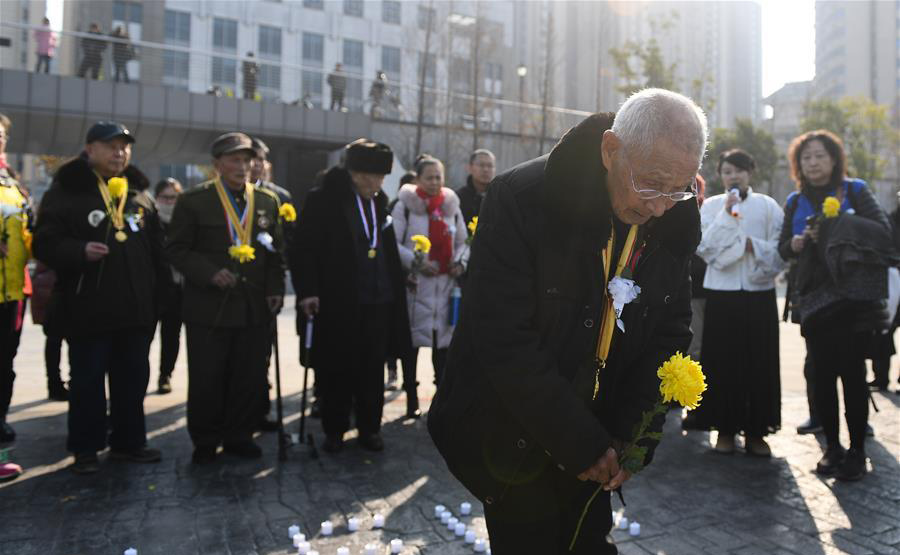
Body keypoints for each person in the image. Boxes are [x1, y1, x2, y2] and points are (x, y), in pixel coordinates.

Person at [428, 89, 707, 554]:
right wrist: (580, 443)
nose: (661, 206)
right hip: (514, 432)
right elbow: (503, 338)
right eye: (652, 183)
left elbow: (669, 334)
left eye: (678, 188)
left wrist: (632, 437)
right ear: (610, 149)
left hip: (601, 437)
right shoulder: (522, 199)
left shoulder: (673, 219)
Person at [33, 121, 163, 474]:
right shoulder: (66, 191)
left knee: (132, 381)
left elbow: (157, 252)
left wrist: (159, 299)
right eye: (110, 145)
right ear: (90, 149)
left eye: (124, 146)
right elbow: (43, 241)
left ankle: (129, 443)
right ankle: (86, 449)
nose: (119, 152)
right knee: (88, 382)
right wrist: (77, 250)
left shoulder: (138, 194)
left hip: (135, 311)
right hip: (87, 308)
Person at [778, 129, 895, 481]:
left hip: (853, 299)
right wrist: (797, 243)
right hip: (812, 300)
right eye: (806, 157)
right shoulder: (795, 202)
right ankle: (831, 446)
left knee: (854, 375)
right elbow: (782, 247)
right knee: (822, 374)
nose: (812, 163)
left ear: (834, 159)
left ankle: (857, 449)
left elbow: (883, 229)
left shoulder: (855, 190)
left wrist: (837, 225)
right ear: (798, 164)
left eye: (819, 155)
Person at [166, 133, 285, 464]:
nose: (242, 166)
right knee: (208, 377)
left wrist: (275, 288)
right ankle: (205, 440)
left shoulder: (265, 201)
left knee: (246, 377)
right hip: (209, 309)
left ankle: (239, 436)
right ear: (217, 164)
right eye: (235, 160)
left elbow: (276, 253)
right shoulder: (194, 201)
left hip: (252, 307)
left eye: (247, 160)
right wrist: (208, 272)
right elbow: (175, 249)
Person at [290, 139, 411, 453]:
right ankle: (335, 429)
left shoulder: (379, 203)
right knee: (337, 367)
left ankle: (370, 428)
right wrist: (308, 291)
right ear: (354, 174)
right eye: (372, 176)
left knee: (372, 369)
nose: (378, 183)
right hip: (339, 301)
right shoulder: (323, 201)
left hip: (379, 302)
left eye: (382, 178)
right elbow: (303, 250)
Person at [692, 149, 785, 456]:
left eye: (739, 170)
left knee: (759, 361)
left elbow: (777, 250)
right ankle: (725, 429)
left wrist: (749, 246)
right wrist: (726, 218)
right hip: (722, 294)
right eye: (727, 171)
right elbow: (705, 248)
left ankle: (758, 431)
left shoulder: (768, 206)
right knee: (722, 361)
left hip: (758, 293)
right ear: (720, 175)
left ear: (750, 173)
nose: (733, 176)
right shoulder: (713, 207)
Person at [392, 156, 467, 417]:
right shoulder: (406, 206)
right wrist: (416, 262)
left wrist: (459, 263)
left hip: (445, 286)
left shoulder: (451, 206)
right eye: (429, 177)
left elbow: (462, 242)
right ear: (418, 179)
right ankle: (411, 397)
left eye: (439, 177)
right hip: (417, 285)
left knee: (442, 348)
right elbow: (394, 243)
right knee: (410, 347)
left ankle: (440, 402)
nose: (435, 182)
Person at [249, 136, 294, 431]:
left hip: (265, 290)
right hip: (231, 290)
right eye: (246, 159)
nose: (253, 165)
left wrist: (278, 286)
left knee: (261, 354)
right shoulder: (217, 196)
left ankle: (258, 411)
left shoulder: (278, 197)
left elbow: (287, 244)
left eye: (258, 159)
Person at [0, 113, 33, 444]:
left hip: (12, 291)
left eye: (1, 136)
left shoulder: (12, 184)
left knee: (5, 362)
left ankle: (2, 418)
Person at [153, 178, 183, 394]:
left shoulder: (185, 221)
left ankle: (165, 374)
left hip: (178, 287)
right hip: (154, 288)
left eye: (174, 198)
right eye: (166, 197)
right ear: (157, 198)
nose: (170, 202)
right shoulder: (150, 219)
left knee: (171, 335)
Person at [30, 260, 68, 401]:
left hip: (49, 290)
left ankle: (54, 384)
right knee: (62, 340)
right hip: (56, 291)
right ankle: (57, 384)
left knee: (54, 340)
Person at [457, 149, 496, 229]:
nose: (486, 169)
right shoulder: (459, 197)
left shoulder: (499, 197)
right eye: (481, 165)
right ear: (470, 168)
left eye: (490, 166)